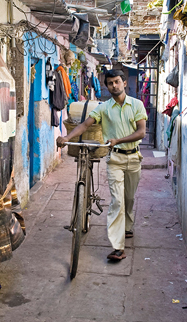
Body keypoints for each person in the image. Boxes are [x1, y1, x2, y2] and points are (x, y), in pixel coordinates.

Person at [57, 69, 147, 261]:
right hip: (114, 159)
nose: (114, 85)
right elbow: (84, 125)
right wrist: (66, 137)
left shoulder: (137, 105)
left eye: (117, 82)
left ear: (123, 82)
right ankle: (118, 247)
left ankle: (128, 227)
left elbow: (141, 133)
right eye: (110, 83)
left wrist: (118, 140)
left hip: (133, 158)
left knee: (129, 198)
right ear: (106, 86)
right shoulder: (103, 108)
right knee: (117, 202)